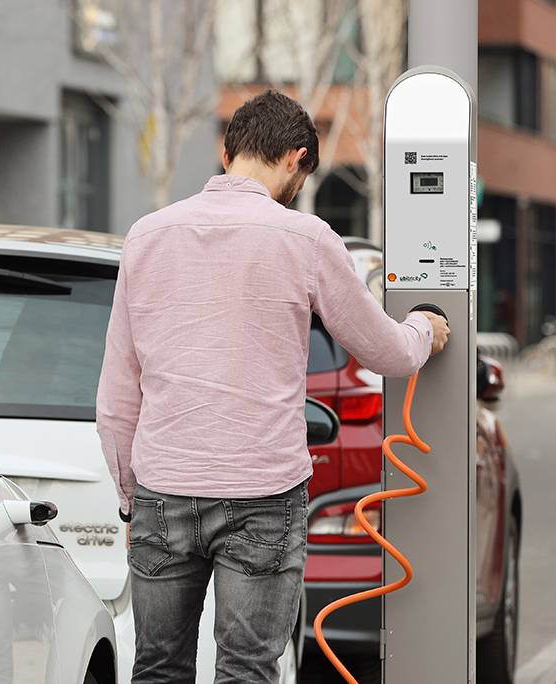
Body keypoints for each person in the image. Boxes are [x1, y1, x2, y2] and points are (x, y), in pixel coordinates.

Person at [95, 90, 449, 683]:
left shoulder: (146, 236)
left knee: (157, 667)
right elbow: (386, 352)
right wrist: (424, 328)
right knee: (248, 670)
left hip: (163, 489)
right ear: (296, 158)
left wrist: (131, 498)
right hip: (263, 493)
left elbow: (116, 395)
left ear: (227, 152)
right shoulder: (306, 238)